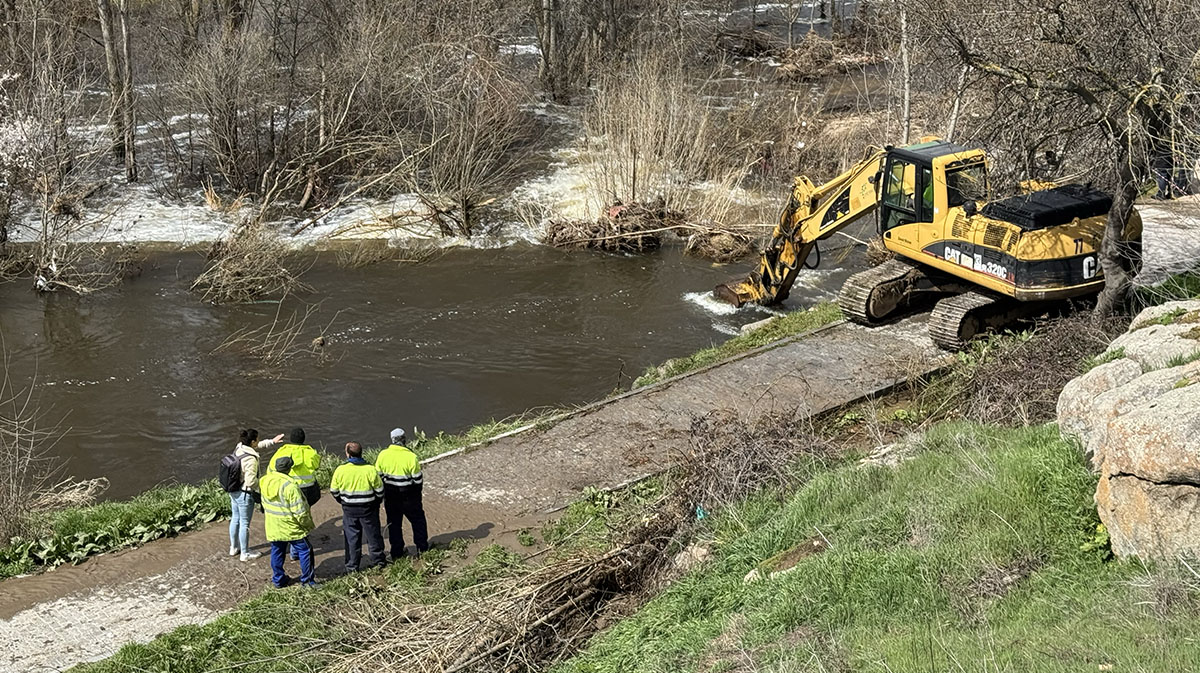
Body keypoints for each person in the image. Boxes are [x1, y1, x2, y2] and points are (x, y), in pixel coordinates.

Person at [260, 456, 318, 589]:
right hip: (291, 527)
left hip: (273, 525)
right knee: (305, 550)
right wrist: (307, 525)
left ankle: (278, 580)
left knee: (277, 551)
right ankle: (308, 582)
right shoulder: (290, 486)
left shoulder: (264, 481)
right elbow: (300, 512)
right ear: (289, 469)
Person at [329, 441, 387, 573]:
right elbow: (379, 491)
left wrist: (343, 501)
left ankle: (352, 567)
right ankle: (378, 562)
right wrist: (375, 503)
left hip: (349, 510)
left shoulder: (341, 470)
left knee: (351, 539)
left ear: (348, 454)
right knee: (373, 536)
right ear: (361, 453)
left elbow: (334, 491)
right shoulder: (370, 470)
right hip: (369, 510)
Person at [228, 428, 284, 561]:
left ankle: (233, 548)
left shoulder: (240, 447)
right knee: (245, 524)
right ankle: (245, 554)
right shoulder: (251, 459)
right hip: (245, 494)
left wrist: (272, 441)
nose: (258, 441)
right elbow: (251, 481)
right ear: (253, 441)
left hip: (233, 490)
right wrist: (262, 487)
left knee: (235, 519)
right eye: (257, 439)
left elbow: (257, 446)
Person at [375, 427, 429, 558]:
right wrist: (417, 496)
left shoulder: (383, 455)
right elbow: (417, 480)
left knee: (394, 524)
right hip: (409, 496)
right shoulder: (411, 456)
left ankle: (397, 552)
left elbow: (378, 477)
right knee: (418, 521)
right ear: (404, 439)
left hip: (391, 496)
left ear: (392, 440)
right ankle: (422, 549)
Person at [272, 428, 322, 506]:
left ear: (291, 439)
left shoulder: (282, 451)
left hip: (287, 486)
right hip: (308, 488)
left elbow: (272, 469)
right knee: (305, 508)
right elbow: (316, 466)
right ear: (303, 439)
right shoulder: (311, 452)